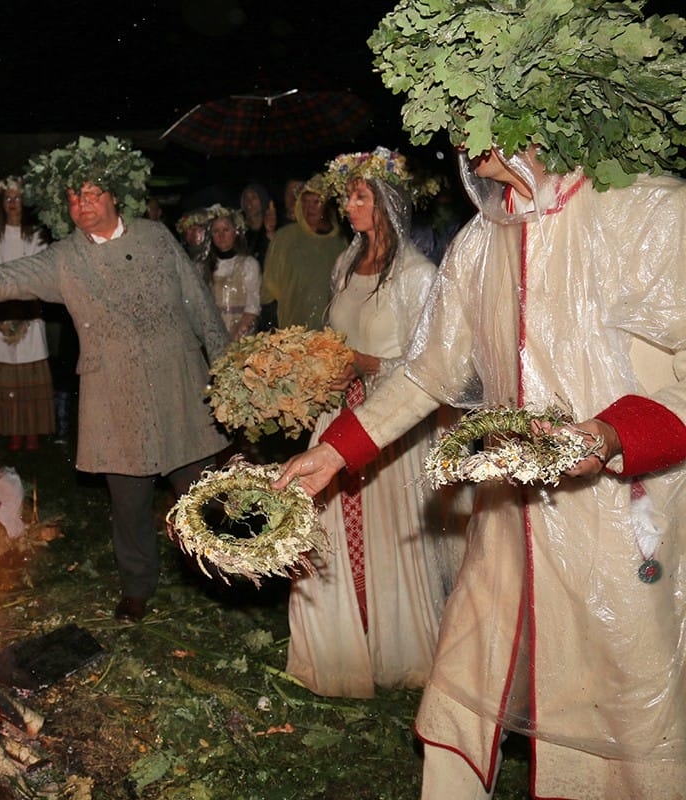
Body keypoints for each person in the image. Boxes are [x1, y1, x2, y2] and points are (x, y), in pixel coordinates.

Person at [280, 75, 686, 800]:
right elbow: (430, 369)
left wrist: (607, 433)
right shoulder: (480, 240)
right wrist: (337, 450)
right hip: (506, 519)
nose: (457, 128)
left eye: (472, 107)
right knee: (464, 682)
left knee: (618, 709)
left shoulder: (650, 213)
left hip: (626, 526)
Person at [0, 137, 230, 622]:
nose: (82, 204)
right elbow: (4, 278)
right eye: (73, 197)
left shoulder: (155, 237)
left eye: (92, 193)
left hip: (179, 385)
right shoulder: (65, 259)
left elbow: (199, 302)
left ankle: (222, 573)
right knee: (129, 502)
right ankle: (138, 586)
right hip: (115, 398)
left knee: (201, 490)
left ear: (115, 196)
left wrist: (226, 370)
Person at [281, 149, 463, 699]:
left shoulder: (417, 275)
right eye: (349, 196)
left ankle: (396, 650)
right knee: (325, 528)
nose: (350, 206)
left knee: (386, 542)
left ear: (386, 203)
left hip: (389, 426)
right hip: (340, 414)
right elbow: (338, 337)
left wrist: (363, 364)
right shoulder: (344, 263)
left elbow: (431, 363)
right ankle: (334, 654)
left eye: (361, 197)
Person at [0, 176, 55, 451]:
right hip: (0, 313)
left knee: (30, 366)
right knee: (8, 371)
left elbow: (38, 272)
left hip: (30, 311)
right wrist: (4, 314)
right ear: (2, 203)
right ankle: (12, 431)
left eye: (18, 198)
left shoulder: (37, 235)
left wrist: (25, 308)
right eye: (8, 198)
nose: (13, 203)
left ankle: (32, 432)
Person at [260, 177, 349, 332]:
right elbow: (269, 289)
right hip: (291, 332)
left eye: (316, 202)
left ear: (327, 206)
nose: (310, 208)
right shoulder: (285, 237)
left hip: (330, 335)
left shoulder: (340, 242)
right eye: (306, 202)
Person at [203, 205, 261, 341]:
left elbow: (253, 307)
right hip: (214, 339)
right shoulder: (203, 267)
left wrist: (236, 338)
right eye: (216, 231)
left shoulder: (249, 264)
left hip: (242, 339)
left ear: (235, 232)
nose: (221, 235)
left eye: (226, 230)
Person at [239, 182, 275, 266]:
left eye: (253, 197)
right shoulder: (241, 232)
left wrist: (270, 233)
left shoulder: (273, 228)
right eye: (245, 198)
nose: (248, 202)